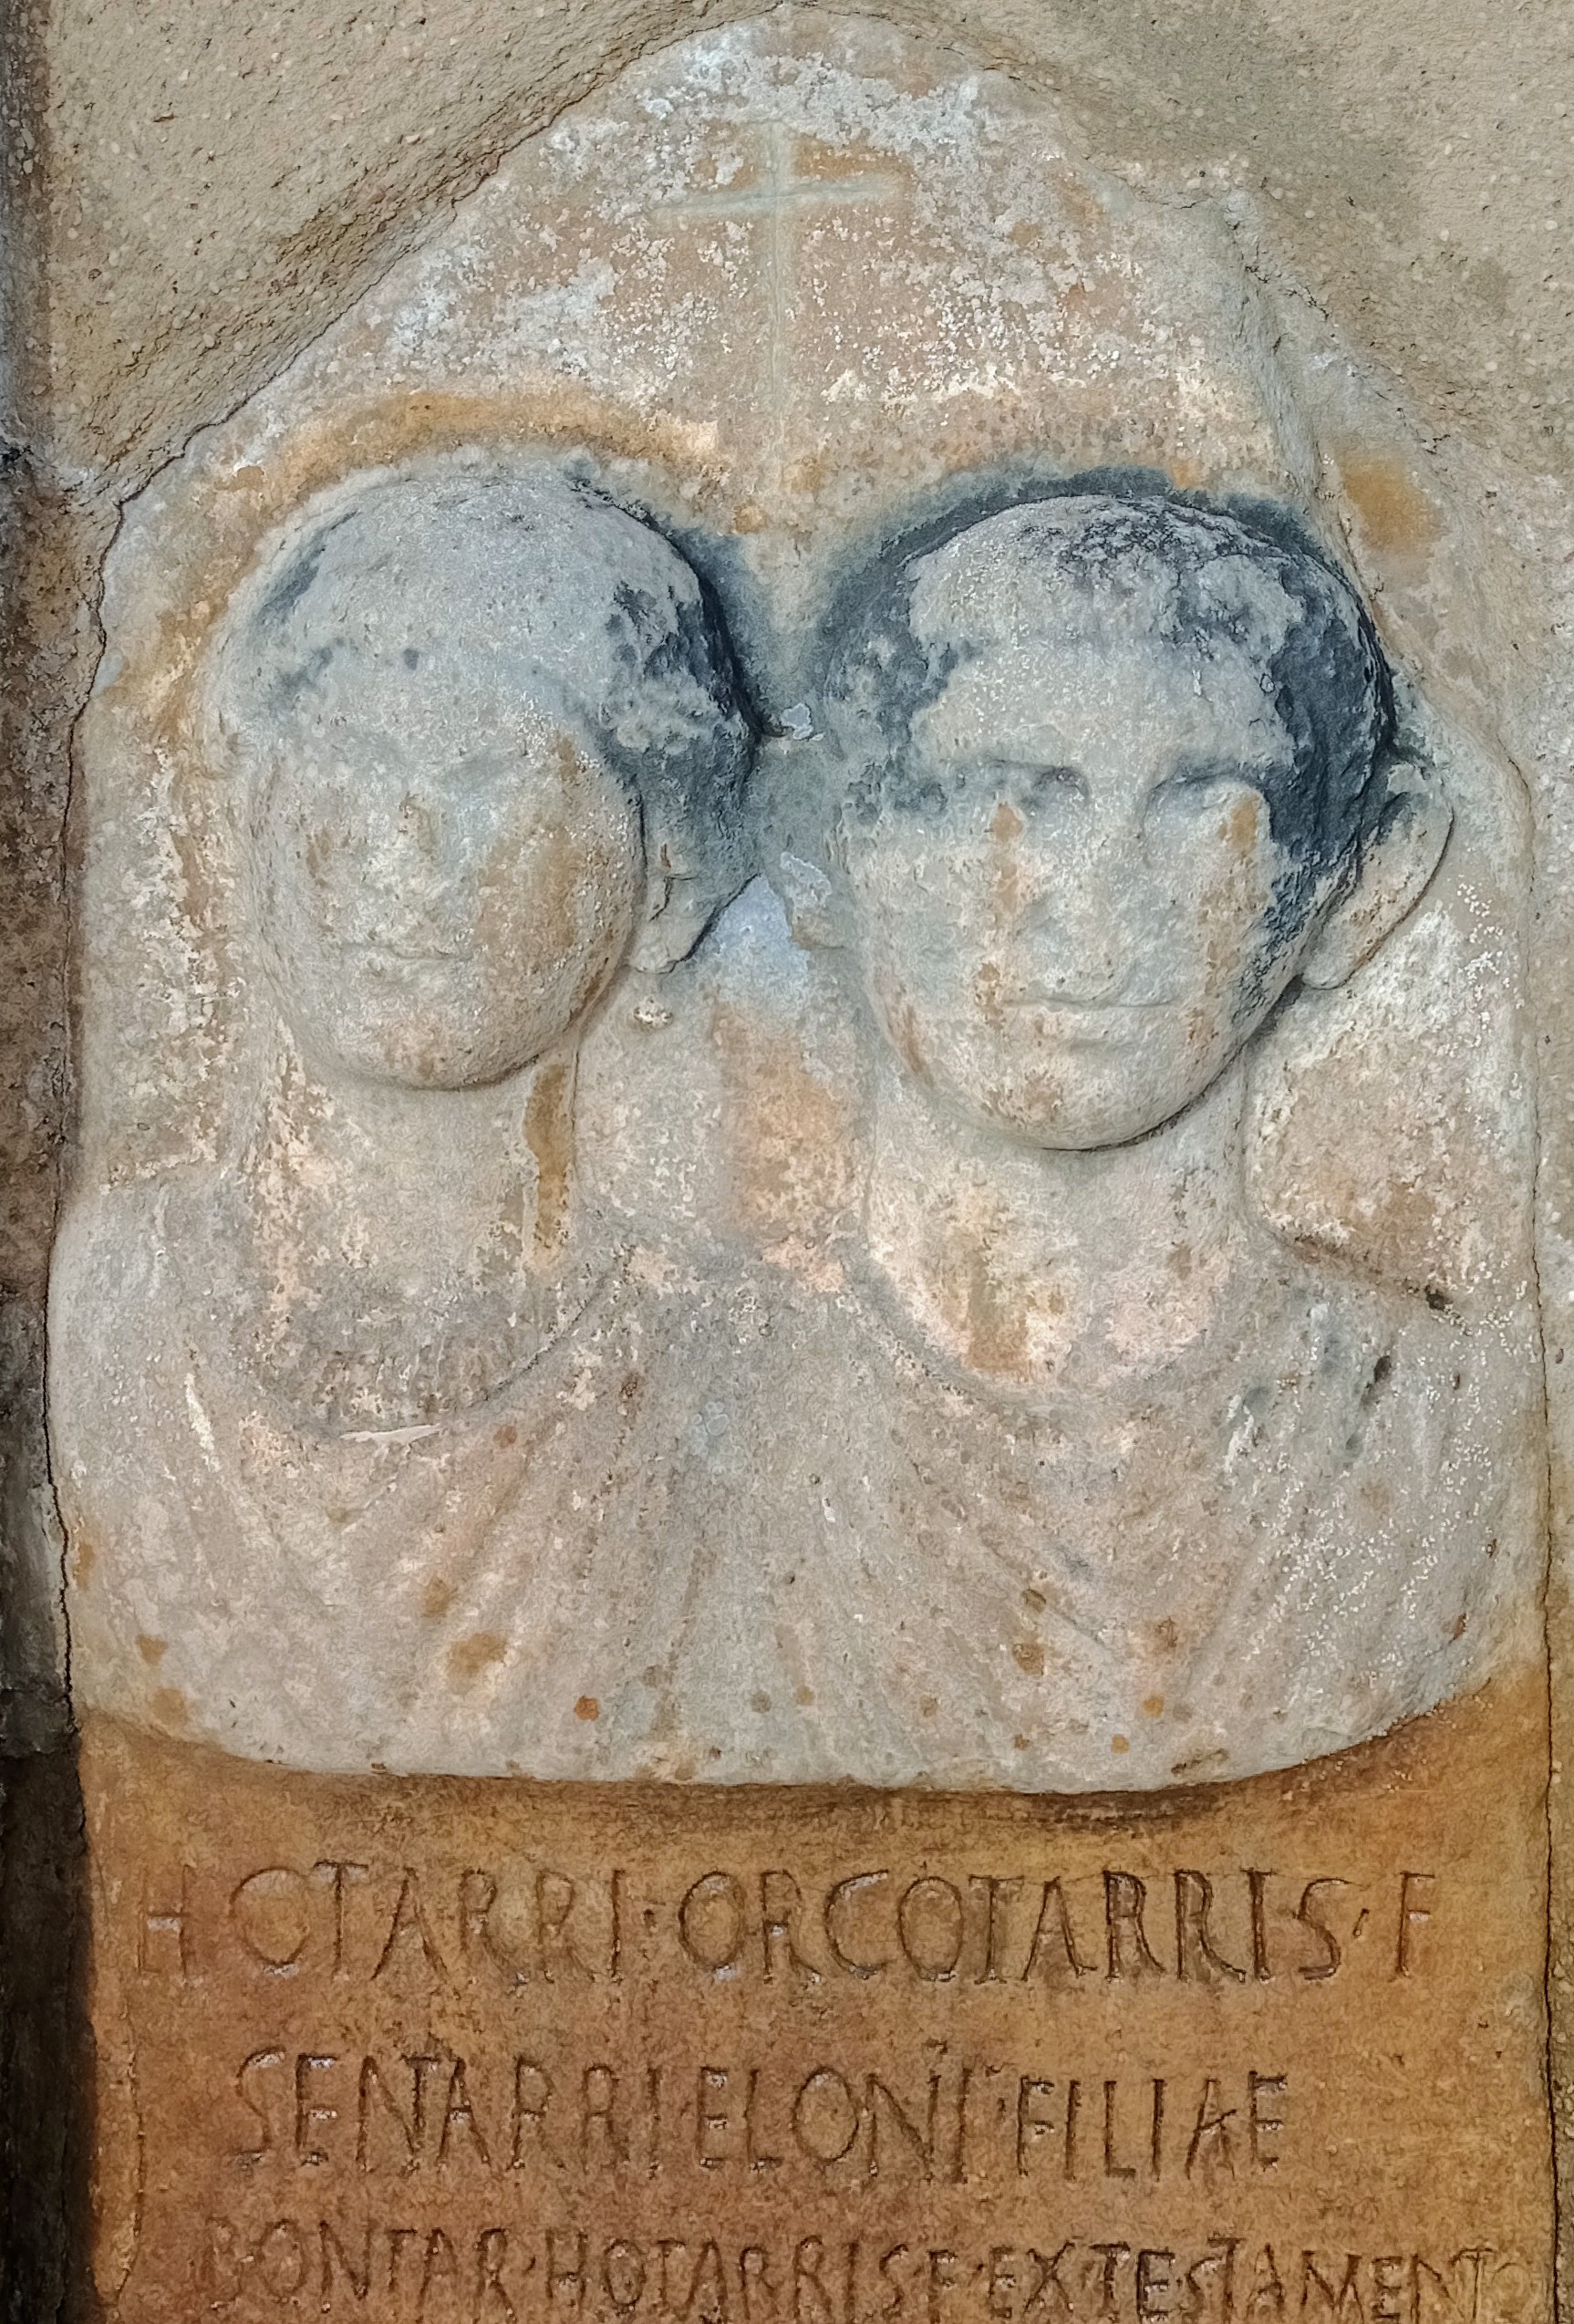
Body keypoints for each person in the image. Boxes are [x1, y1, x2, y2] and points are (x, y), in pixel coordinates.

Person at [735, 477, 1538, 1787]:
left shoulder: (1449, 1430)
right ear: (816, 846)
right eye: (1004, 795)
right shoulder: (687, 1415)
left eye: (1203, 806)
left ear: (1360, 884)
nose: (1096, 910)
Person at [50, 453, 762, 1769]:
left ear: (663, 878)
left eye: (493, 778)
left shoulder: (739, 1361)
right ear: (246, 830)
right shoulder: (118, 1303)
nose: (406, 852)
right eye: (352, 767)